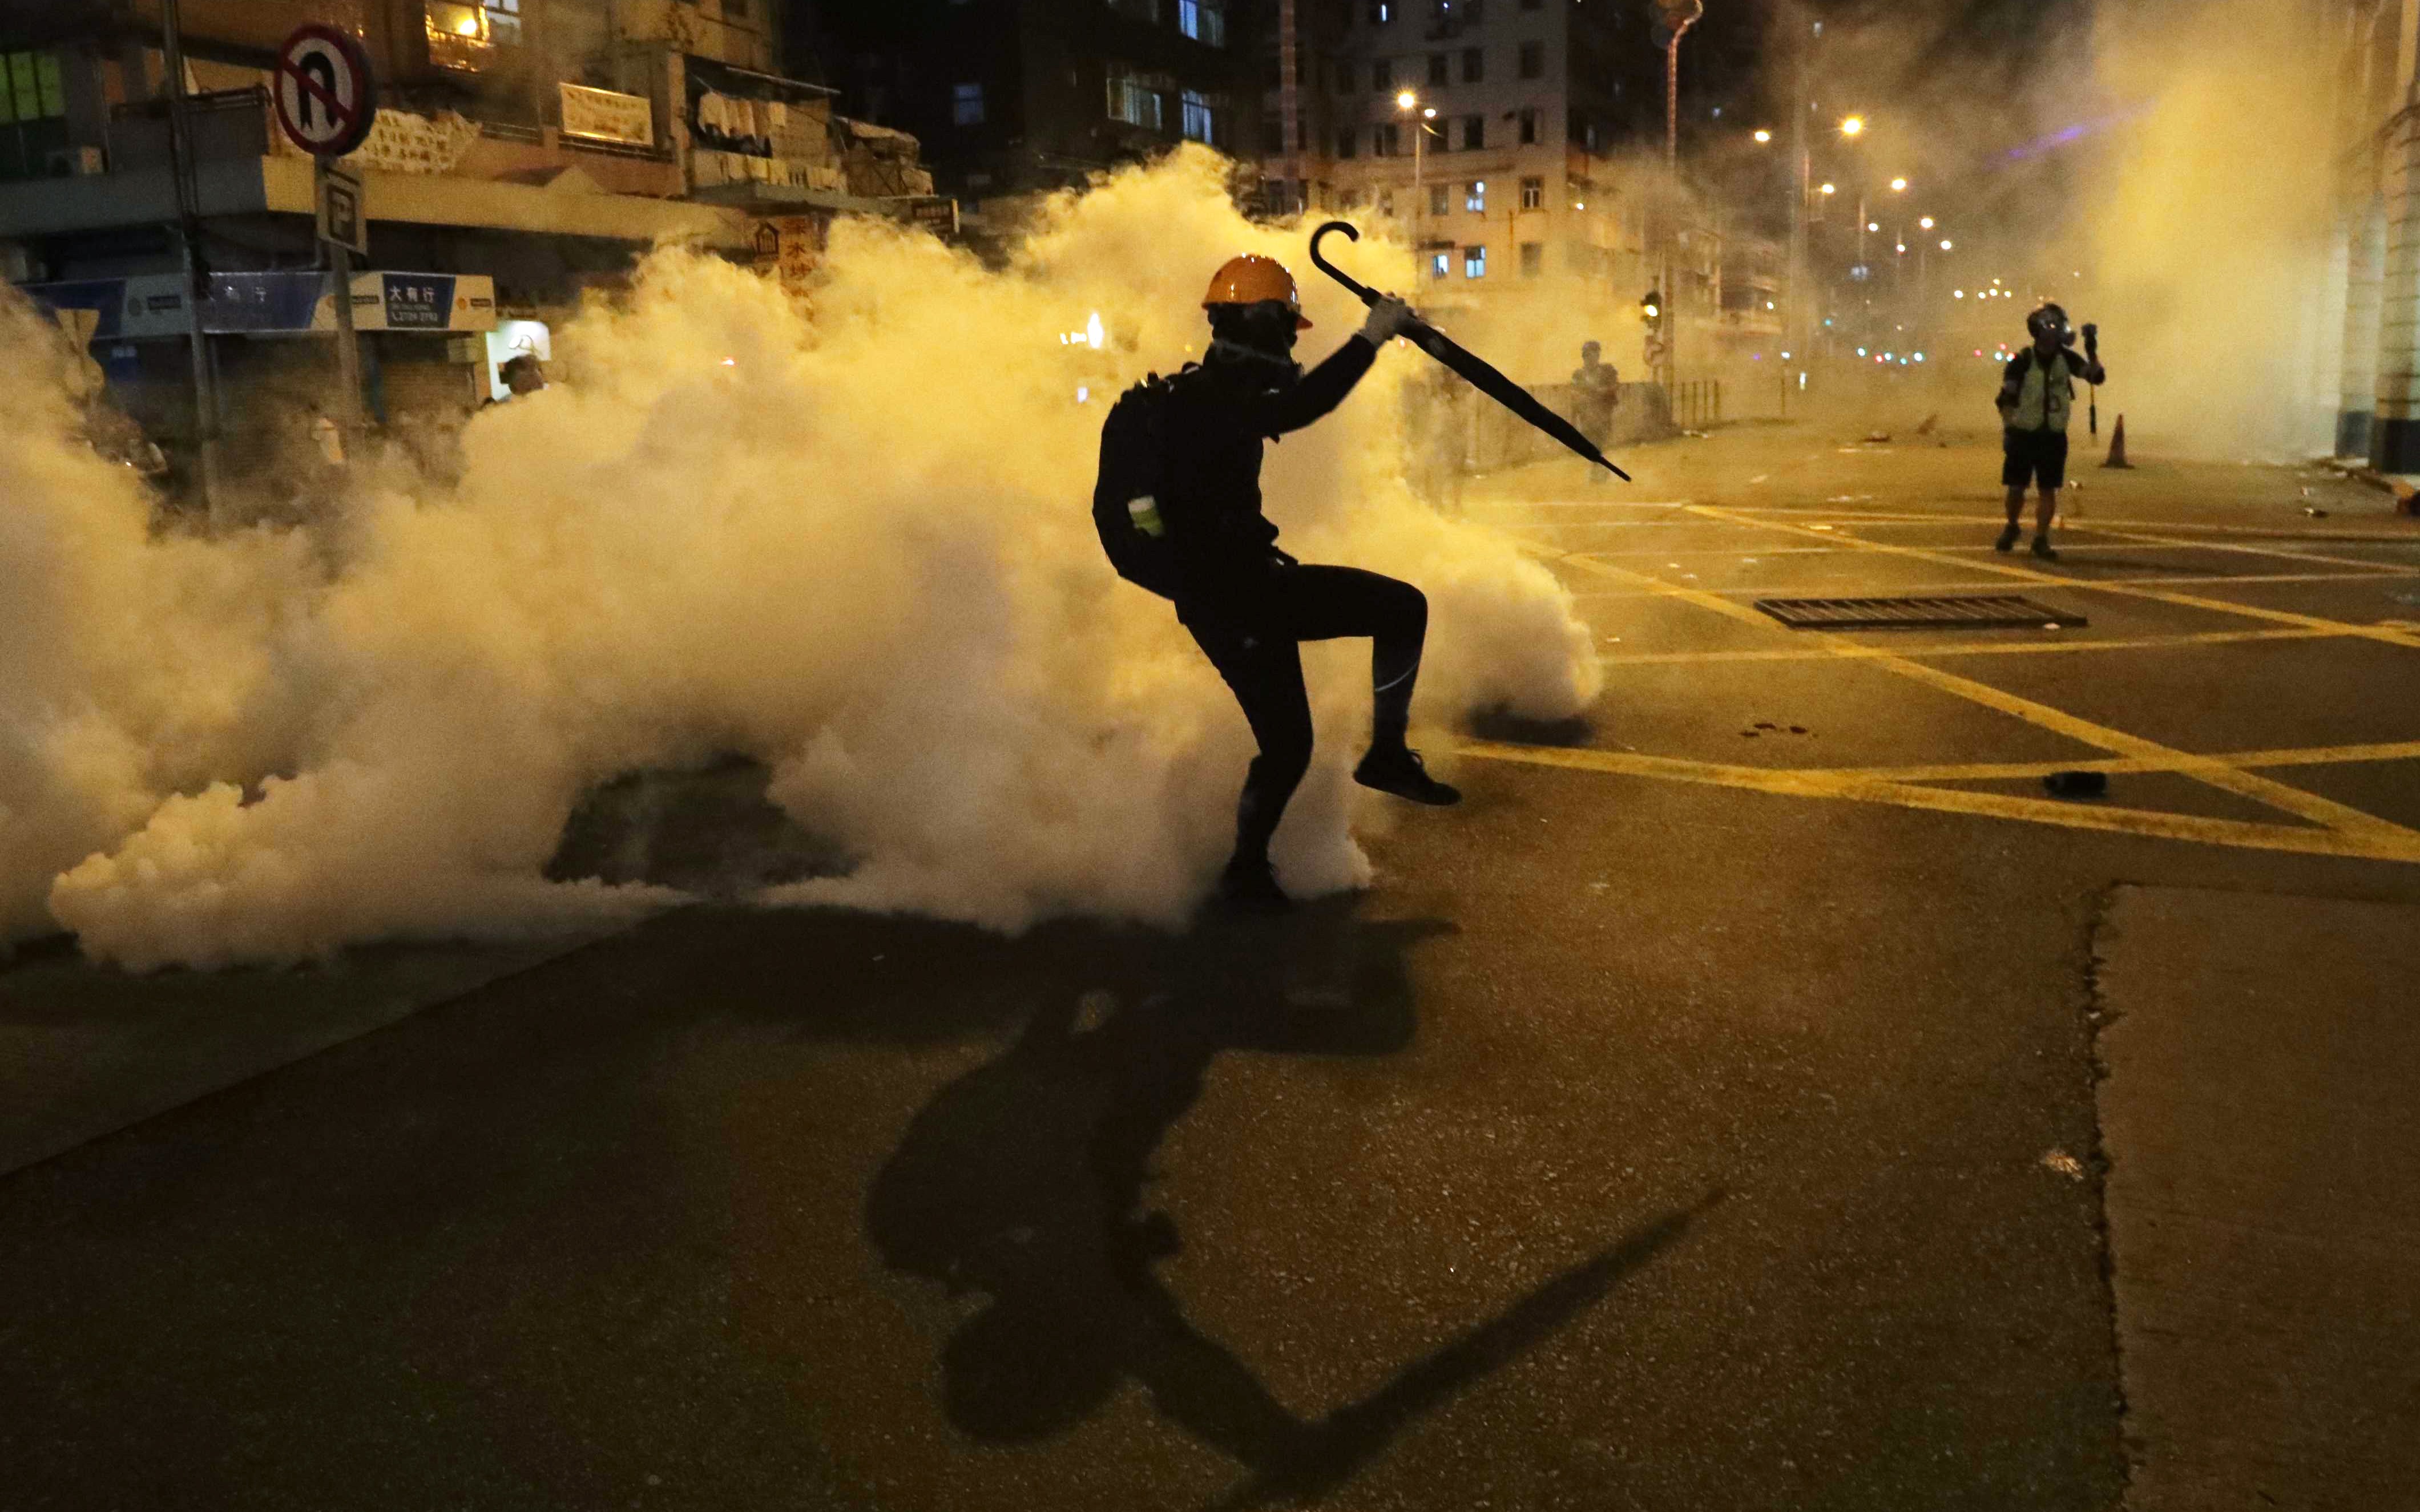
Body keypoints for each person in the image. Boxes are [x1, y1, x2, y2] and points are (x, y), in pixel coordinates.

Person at [1159, 252, 1460, 912]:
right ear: (1260, 321)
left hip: (1255, 590)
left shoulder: (1222, 391)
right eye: (1285, 327)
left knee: (1397, 612)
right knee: (1290, 741)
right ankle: (1244, 870)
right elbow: (1300, 407)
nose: (1292, 342)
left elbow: (1283, 407)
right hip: (1233, 603)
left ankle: (1380, 757)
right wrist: (1371, 336)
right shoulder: (1209, 398)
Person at [1995, 303, 2106, 560]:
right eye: (2055, 326)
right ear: (2041, 330)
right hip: (2023, 434)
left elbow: (2095, 377)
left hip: (2053, 435)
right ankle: (2012, 526)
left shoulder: (2066, 359)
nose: (2060, 332)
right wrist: (2010, 429)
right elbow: (2006, 399)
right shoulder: (2022, 361)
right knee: (2016, 488)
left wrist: (2091, 348)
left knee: (2048, 489)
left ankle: (2041, 538)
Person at [1570, 340, 1620, 483]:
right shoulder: (1579, 375)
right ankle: (1599, 469)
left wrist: (1601, 392)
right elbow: (1574, 394)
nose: (1592, 358)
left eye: (1595, 354)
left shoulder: (1607, 371)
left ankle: (1598, 470)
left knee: (1599, 442)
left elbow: (1615, 386)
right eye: (1589, 355)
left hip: (1603, 413)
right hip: (1587, 415)